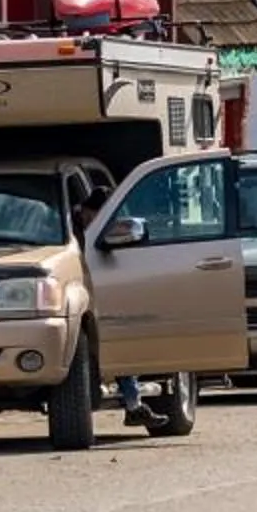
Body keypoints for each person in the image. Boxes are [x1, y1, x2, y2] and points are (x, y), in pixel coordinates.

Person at [70, 184, 153, 429]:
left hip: (101, 293)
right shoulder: (68, 228)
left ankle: (133, 403)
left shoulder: (95, 228)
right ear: (87, 210)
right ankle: (133, 404)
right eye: (96, 217)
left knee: (121, 340)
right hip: (79, 297)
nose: (97, 224)